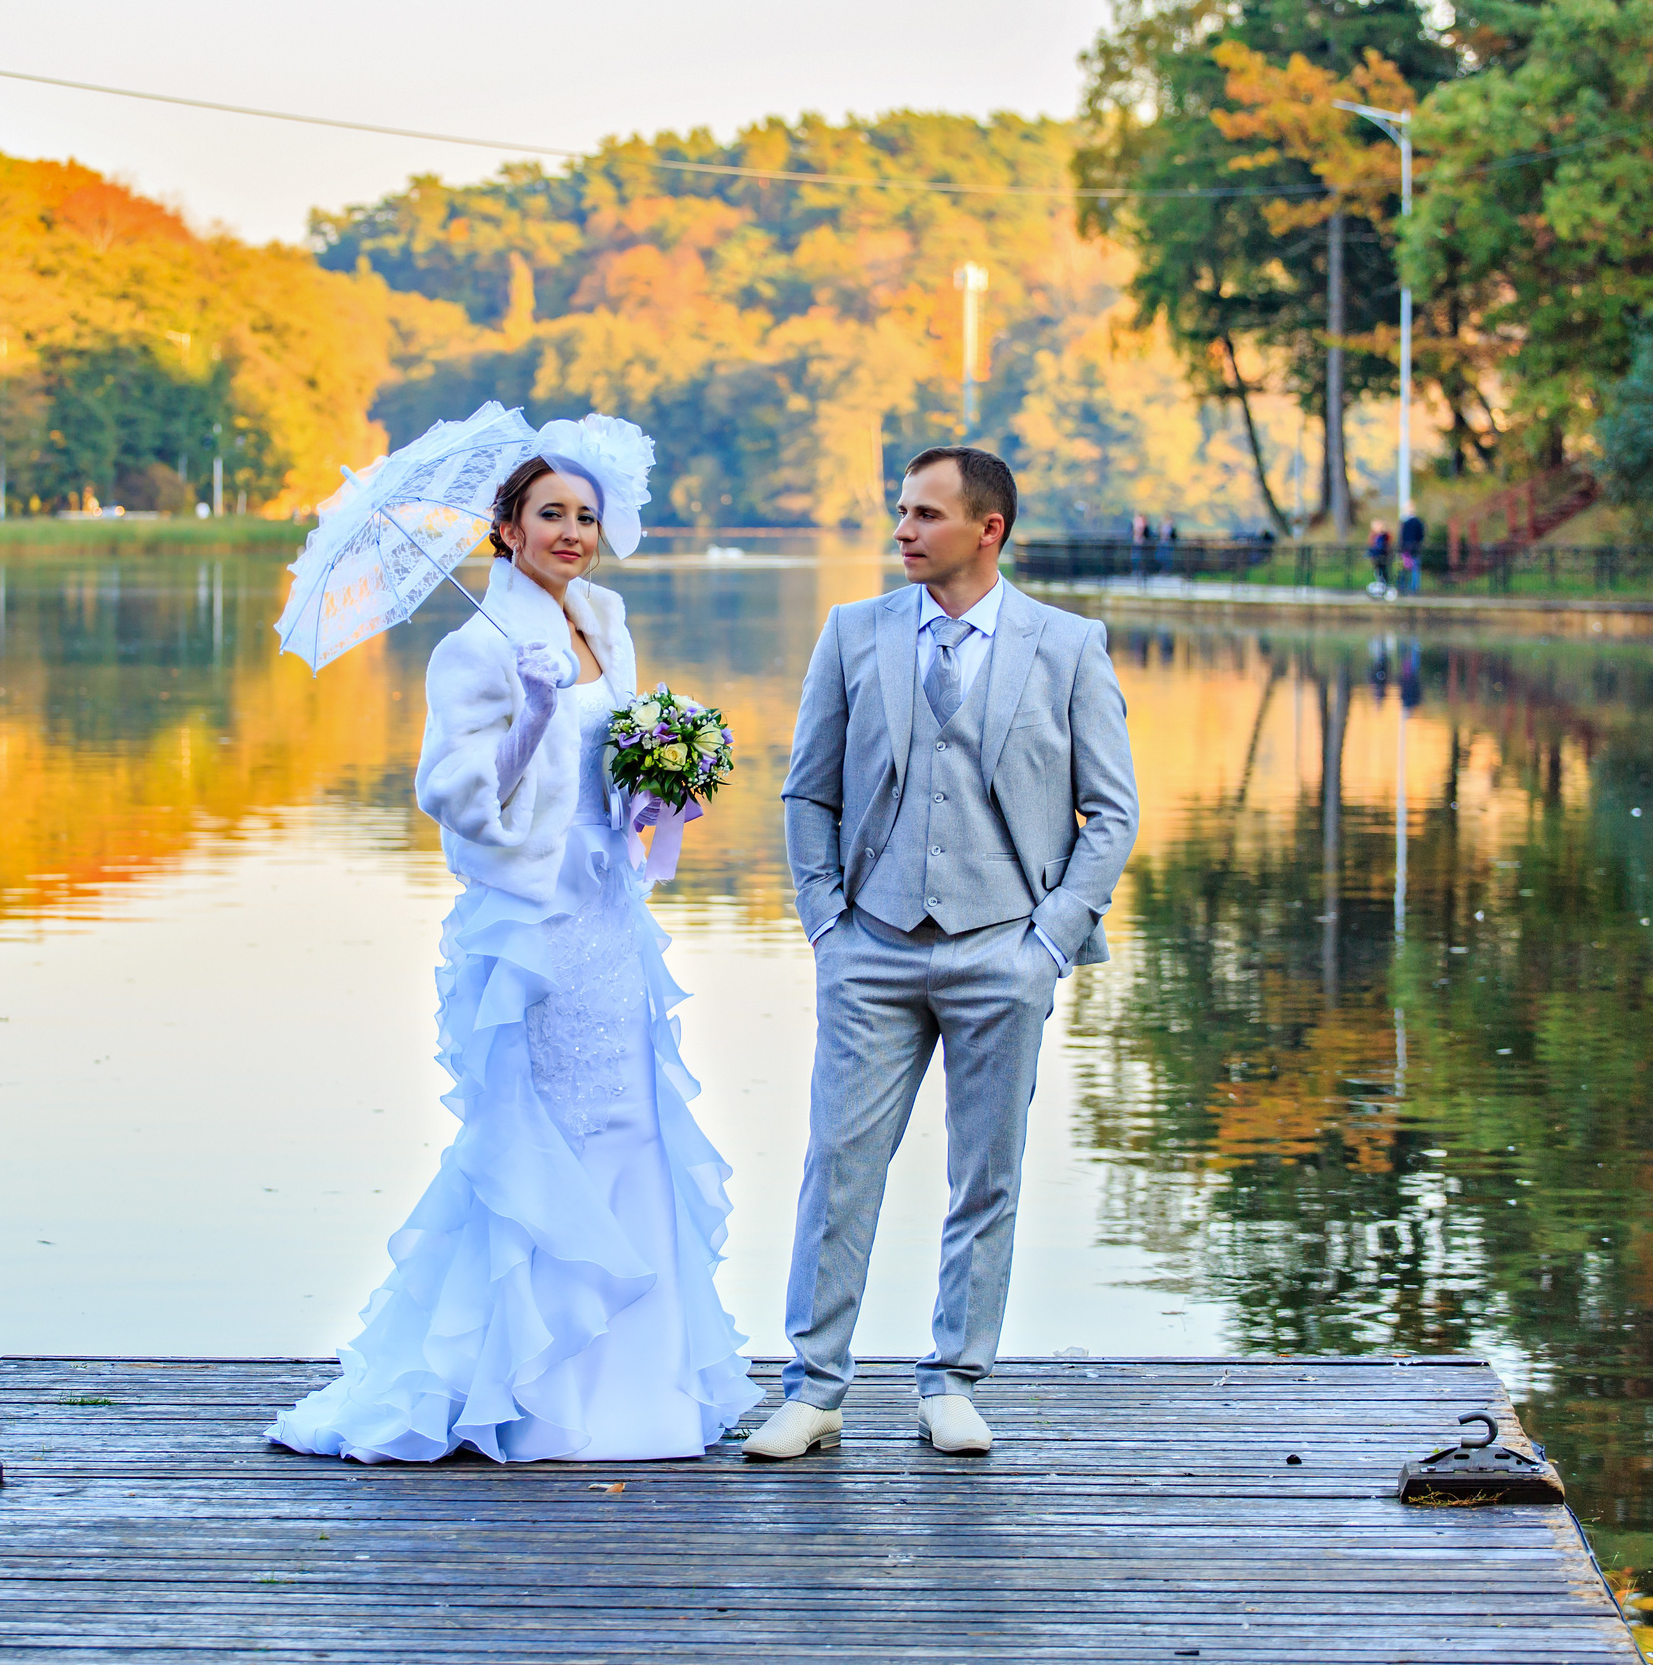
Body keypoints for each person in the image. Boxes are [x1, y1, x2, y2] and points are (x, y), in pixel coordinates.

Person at [267, 450, 759, 1463]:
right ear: (507, 527)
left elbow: (611, 757)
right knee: (547, 1123)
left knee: (630, 1114)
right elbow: (449, 794)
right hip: (535, 924)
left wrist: (649, 790)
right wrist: (530, 718)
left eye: (583, 515)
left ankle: (634, 1383)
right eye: (548, 515)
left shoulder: (607, 623)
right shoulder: (473, 650)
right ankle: (523, 1386)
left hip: (608, 911)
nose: (570, 533)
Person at [753, 446, 1138, 1460]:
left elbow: (1111, 813)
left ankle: (953, 1381)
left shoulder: (1066, 645)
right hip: (869, 945)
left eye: (924, 514)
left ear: (987, 530)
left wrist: (1047, 941)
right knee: (838, 1163)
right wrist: (828, 927)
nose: (903, 531)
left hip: (1001, 949)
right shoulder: (853, 634)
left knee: (986, 1173)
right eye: (900, 512)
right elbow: (808, 792)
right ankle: (814, 1389)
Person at [1397, 513, 1427, 595]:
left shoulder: (1406, 523)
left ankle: (1404, 588)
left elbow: (1401, 537)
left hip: (1408, 549)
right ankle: (1413, 589)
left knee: (1408, 570)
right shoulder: (1418, 522)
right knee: (1413, 570)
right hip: (1413, 549)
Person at [1366, 521, 1395, 598]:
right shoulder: (1374, 536)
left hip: (1383, 558)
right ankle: (1380, 589)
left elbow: (1384, 546)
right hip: (1377, 558)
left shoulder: (1383, 536)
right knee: (1378, 574)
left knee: (1384, 574)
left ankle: (1385, 589)